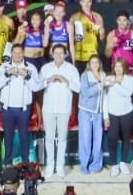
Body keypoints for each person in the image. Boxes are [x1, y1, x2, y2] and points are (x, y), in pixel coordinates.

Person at [39, 42, 80, 177]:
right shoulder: (45, 68)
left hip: (64, 108)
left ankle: (60, 165)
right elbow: (37, 85)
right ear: (52, 54)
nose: (58, 55)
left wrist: (65, 80)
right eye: (56, 53)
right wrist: (48, 80)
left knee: (62, 138)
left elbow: (78, 88)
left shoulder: (71, 69)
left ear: (65, 55)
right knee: (49, 138)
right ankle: (50, 165)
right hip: (48, 108)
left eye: (61, 53)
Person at [0, 43, 37, 168]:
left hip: (24, 109)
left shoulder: (31, 67)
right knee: (8, 138)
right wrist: (7, 74)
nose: (17, 55)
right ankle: (8, 163)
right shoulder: (4, 67)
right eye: (15, 52)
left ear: (23, 53)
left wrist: (26, 76)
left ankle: (25, 164)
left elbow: (36, 87)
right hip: (7, 109)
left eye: (20, 52)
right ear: (11, 54)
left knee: (24, 137)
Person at [101, 56, 133, 176]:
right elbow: (105, 98)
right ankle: (114, 165)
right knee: (112, 138)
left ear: (124, 67)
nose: (117, 68)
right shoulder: (109, 78)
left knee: (126, 137)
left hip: (127, 112)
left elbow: (128, 93)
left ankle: (123, 162)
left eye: (120, 66)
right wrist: (105, 117)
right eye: (116, 66)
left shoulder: (130, 79)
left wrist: (115, 85)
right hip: (112, 113)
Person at [77, 55, 106, 175]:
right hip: (86, 111)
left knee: (98, 140)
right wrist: (99, 85)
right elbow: (85, 92)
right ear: (89, 64)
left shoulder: (103, 75)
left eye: (97, 62)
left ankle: (96, 166)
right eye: (92, 62)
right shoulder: (85, 75)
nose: (95, 64)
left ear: (100, 64)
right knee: (85, 139)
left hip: (99, 112)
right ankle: (84, 166)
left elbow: (105, 95)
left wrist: (105, 114)